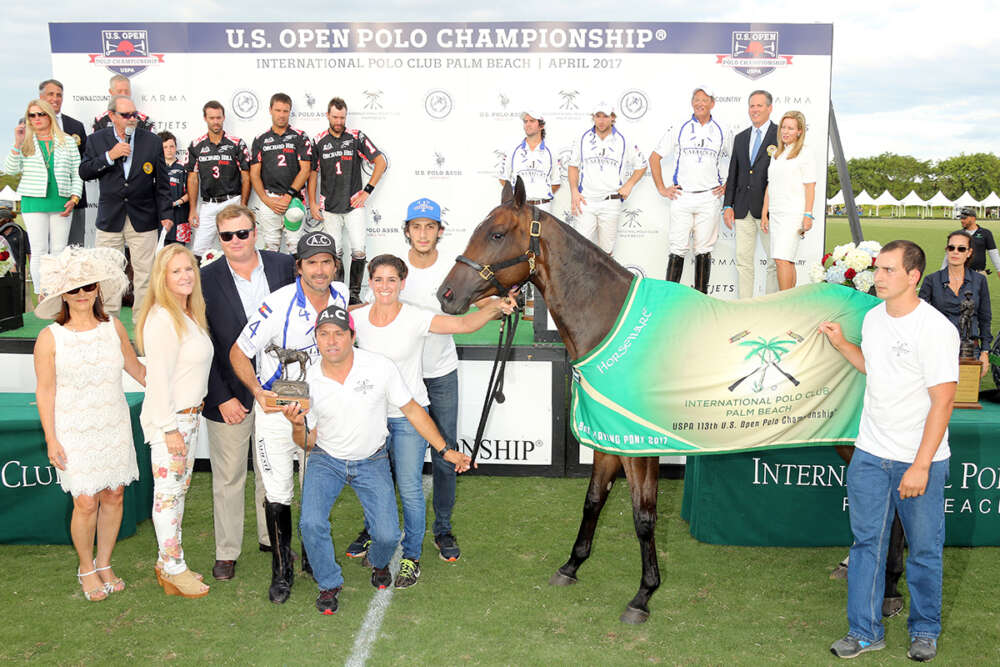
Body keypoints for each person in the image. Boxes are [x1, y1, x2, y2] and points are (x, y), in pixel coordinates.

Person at [280, 305, 473, 614]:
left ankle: (380, 563)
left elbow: (412, 410)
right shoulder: (307, 377)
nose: (331, 341)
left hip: (371, 460)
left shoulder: (379, 367)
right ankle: (329, 583)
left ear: (352, 337)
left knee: (387, 535)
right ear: (316, 339)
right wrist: (295, 423)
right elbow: (307, 442)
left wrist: (444, 449)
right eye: (324, 334)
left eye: (339, 334)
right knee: (310, 523)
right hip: (325, 458)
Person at [821, 240, 957, 662]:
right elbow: (876, 367)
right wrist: (844, 345)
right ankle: (864, 631)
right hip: (870, 456)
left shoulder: (936, 329)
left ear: (914, 277)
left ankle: (925, 629)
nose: (877, 277)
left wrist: (919, 465)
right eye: (877, 269)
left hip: (921, 462)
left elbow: (943, 401)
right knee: (866, 546)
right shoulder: (874, 319)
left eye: (888, 270)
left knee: (925, 551)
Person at [350, 254, 515, 588]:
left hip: (409, 417)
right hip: (371, 420)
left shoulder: (415, 317)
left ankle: (411, 557)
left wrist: (496, 307)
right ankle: (378, 539)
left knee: (409, 488)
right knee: (375, 486)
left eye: (392, 280)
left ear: (402, 283)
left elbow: (464, 324)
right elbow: (324, 330)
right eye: (378, 280)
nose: (385, 286)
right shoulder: (357, 318)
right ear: (370, 283)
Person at [229, 230, 348, 604]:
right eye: (312, 262)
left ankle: (313, 558)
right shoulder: (276, 303)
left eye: (326, 261)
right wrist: (256, 392)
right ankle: (281, 571)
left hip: (321, 414)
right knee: (278, 492)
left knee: (315, 487)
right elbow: (237, 351)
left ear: (335, 265)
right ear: (299, 267)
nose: (320, 269)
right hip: (277, 414)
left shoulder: (343, 297)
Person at [344, 198, 462, 565]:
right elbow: (360, 316)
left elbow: (472, 307)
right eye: (417, 226)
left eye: (430, 226)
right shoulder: (389, 272)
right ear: (407, 230)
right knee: (379, 459)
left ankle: (441, 529)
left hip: (438, 374)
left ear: (440, 230)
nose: (423, 233)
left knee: (444, 454)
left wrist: (497, 304)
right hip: (391, 384)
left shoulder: (454, 267)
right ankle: (372, 526)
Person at [32, 246, 142, 601]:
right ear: (63, 293)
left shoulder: (114, 328)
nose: (82, 294)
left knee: (114, 493)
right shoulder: (50, 337)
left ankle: (105, 561)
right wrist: (52, 439)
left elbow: (138, 371)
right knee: (85, 502)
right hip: (73, 428)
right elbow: (45, 392)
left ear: (98, 289)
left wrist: (178, 387)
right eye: (74, 288)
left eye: (88, 286)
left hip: (113, 422)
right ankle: (86, 567)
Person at [200, 204, 295, 581]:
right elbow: (201, 343)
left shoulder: (284, 266)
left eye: (243, 233)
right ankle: (227, 551)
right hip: (229, 392)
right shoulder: (204, 279)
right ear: (219, 238)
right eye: (227, 235)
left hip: (279, 389)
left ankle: (272, 537)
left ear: (255, 232)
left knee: (273, 469)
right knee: (228, 475)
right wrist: (220, 395)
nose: (236, 241)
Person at [135, 244, 214, 598]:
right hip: (171, 422)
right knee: (168, 496)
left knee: (178, 494)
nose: (185, 276)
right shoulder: (162, 319)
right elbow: (158, 381)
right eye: (176, 271)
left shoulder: (189, 314)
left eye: (189, 269)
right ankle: (172, 566)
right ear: (162, 278)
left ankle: (171, 563)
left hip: (188, 418)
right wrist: (169, 430)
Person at [78, 95, 172, 318]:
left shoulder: (151, 141)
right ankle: (109, 321)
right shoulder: (96, 140)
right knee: (108, 272)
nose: (132, 119)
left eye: (134, 115)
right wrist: (110, 156)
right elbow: (85, 171)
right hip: (110, 218)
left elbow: (162, 182)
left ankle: (143, 323)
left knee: (145, 274)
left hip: (144, 216)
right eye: (126, 115)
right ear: (112, 116)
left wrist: (166, 213)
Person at [649, 86, 733, 293]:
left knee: (704, 250)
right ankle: (669, 298)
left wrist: (728, 185)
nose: (700, 103)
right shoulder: (680, 127)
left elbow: (738, 160)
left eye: (704, 100)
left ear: (712, 103)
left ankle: (700, 299)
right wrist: (662, 188)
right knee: (677, 248)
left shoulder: (723, 129)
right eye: (696, 99)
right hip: (682, 196)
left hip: (709, 198)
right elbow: (654, 157)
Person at [308, 97, 387, 304]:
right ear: (327, 115)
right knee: (335, 253)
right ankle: (339, 293)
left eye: (342, 117)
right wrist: (313, 203)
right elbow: (312, 173)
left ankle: (353, 295)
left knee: (359, 250)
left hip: (353, 204)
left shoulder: (356, 137)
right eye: (335, 117)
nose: (339, 121)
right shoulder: (318, 140)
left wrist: (366, 191)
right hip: (330, 207)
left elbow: (380, 161)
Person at [4, 99, 82, 296]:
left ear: (50, 115)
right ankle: (42, 293)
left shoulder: (68, 141)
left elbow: (77, 172)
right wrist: (17, 143)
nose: (37, 118)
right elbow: (11, 170)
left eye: (41, 114)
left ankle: (58, 292)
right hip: (33, 201)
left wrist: (74, 199)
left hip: (62, 200)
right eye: (32, 115)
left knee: (60, 250)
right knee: (39, 250)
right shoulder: (26, 143)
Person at [567, 101, 647, 254]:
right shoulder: (582, 139)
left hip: (611, 202)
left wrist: (629, 184)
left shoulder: (624, 140)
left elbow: (642, 165)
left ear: (612, 118)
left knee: (607, 252)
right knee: (580, 249)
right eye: (598, 116)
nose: (601, 120)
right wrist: (574, 191)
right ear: (593, 118)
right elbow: (572, 166)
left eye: (605, 116)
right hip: (586, 201)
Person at [723, 90, 778, 298]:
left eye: (759, 106)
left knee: (773, 261)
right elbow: (733, 175)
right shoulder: (740, 138)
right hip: (742, 209)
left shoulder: (780, 135)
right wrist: (728, 205)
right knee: (744, 261)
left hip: (769, 211)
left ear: (769, 108)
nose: (754, 110)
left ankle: (771, 305)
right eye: (751, 106)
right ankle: (745, 306)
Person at [919, 230, 992, 377]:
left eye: (961, 248)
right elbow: (920, 318)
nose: (955, 252)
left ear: (969, 252)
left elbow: (985, 318)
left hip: (970, 351)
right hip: (938, 349)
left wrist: (984, 352)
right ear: (946, 250)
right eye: (951, 248)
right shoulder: (931, 280)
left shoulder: (979, 281)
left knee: (966, 397)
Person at [186, 101, 251, 260]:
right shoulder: (196, 145)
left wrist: (243, 204)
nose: (216, 121)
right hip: (208, 204)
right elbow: (193, 179)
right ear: (205, 118)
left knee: (237, 247)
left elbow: (246, 176)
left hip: (232, 201)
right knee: (198, 252)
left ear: (224, 118)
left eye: (218, 117)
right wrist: (193, 209)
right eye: (212, 118)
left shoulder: (236, 143)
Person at [249, 93, 312, 253]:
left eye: (285, 111)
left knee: (295, 246)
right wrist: (265, 199)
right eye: (278, 110)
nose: (282, 115)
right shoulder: (260, 139)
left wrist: (288, 196)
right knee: (270, 247)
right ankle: (274, 279)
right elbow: (254, 173)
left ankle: (296, 279)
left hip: (293, 200)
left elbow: (305, 169)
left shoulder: (300, 136)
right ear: (270, 110)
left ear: (290, 111)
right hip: (269, 200)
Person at [761, 110, 816, 291]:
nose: (785, 131)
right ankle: (792, 300)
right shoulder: (777, 154)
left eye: (791, 128)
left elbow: (810, 186)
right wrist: (764, 214)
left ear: (800, 131)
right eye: (783, 127)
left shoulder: (805, 153)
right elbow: (771, 185)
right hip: (776, 214)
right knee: (786, 260)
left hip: (792, 214)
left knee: (782, 259)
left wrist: (808, 214)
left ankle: (786, 303)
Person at [39, 79, 88, 247]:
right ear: (41, 97)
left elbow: (83, 164)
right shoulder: (29, 125)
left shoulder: (76, 126)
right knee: (46, 252)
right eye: (50, 94)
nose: (55, 98)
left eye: (59, 95)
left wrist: (75, 195)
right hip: (44, 200)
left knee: (75, 251)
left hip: (74, 200)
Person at [499, 110, 560, 213]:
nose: (527, 124)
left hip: (543, 207)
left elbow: (556, 182)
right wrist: (517, 198)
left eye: (532, 121)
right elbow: (503, 179)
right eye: (525, 121)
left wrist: (541, 196)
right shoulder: (513, 150)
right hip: (519, 207)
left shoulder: (551, 152)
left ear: (541, 126)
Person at [940, 208, 1000, 277]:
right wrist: (942, 271)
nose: (962, 220)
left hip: (979, 274)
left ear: (973, 218)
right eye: (961, 218)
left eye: (964, 218)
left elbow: (993, 253)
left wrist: (999, 269)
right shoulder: (957, 234)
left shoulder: (986, 233)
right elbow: (949, 254)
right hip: (959, 274)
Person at [158, 131, 190, 248]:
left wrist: (175, 203)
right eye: (165, 147)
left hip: (180, 217)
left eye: (172, 146)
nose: (169, 150)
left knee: (179, 252)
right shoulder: (156, 168)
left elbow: (191, 193)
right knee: (161, 254)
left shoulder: (184, 168)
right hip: (160, 218)